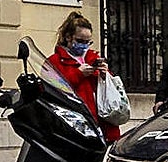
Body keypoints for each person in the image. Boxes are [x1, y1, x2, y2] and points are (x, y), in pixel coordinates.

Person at [47, 10, 121, 143]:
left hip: (102, 125)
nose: (84, 46)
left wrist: (104, 75)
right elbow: (53, 89)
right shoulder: (55, 62)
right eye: (80, 41)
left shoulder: (93, 57)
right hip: (76, 125)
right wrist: (79, 74)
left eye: (88, 42)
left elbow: (107, 90)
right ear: (68, 37)